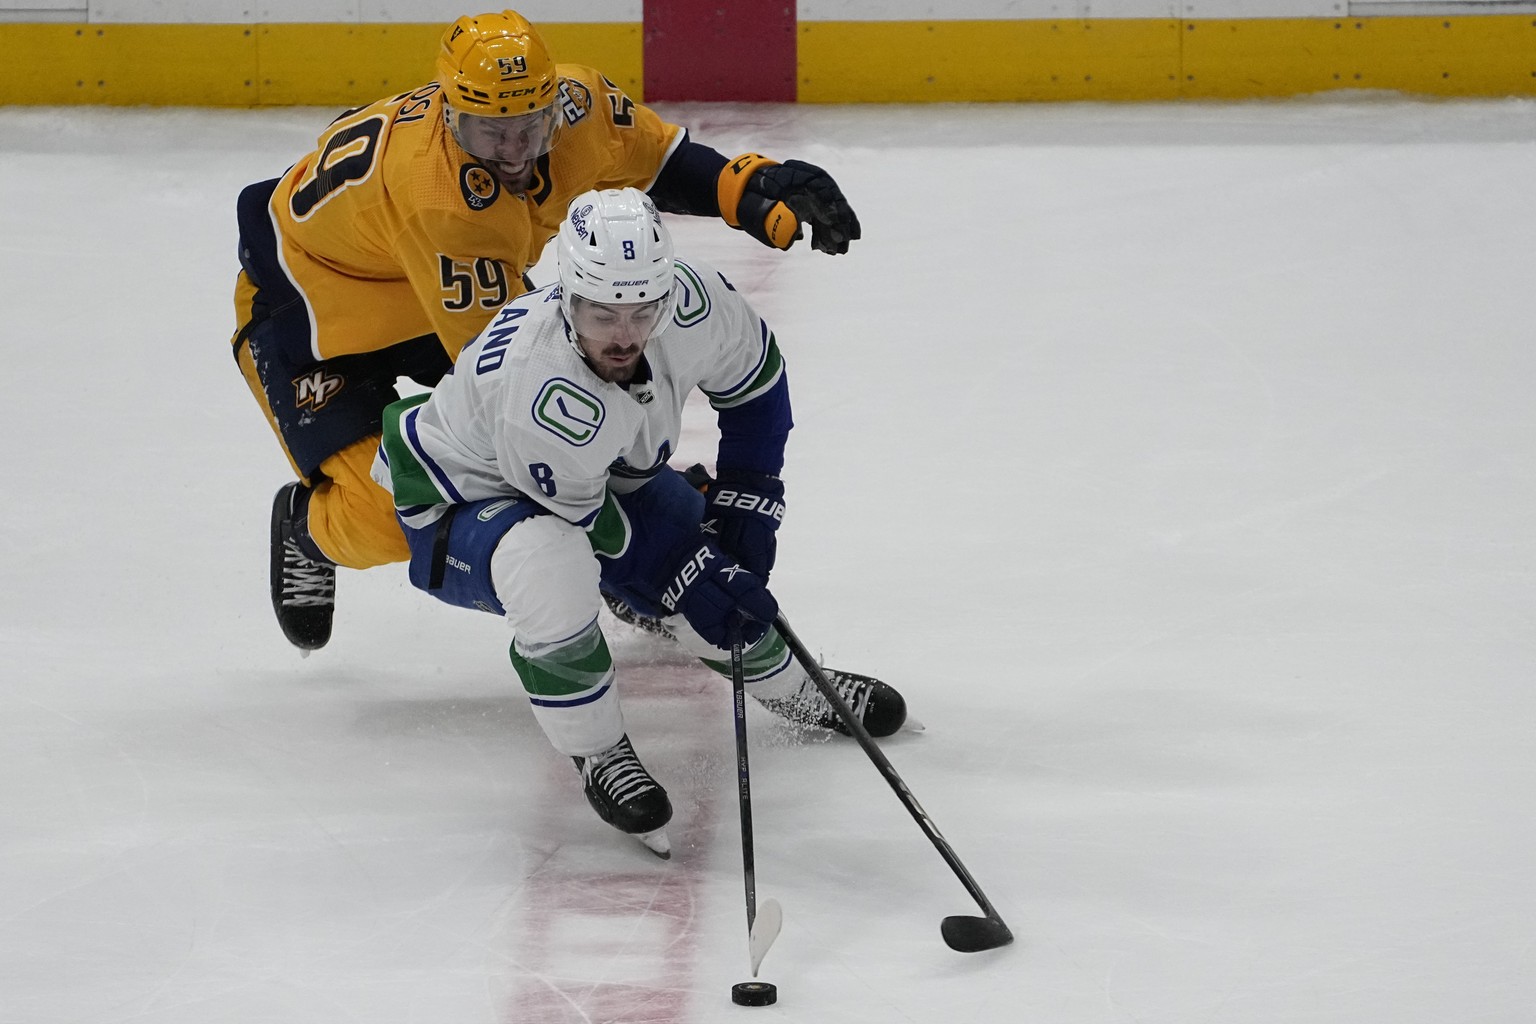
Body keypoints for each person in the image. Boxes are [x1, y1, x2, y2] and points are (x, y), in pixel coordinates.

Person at [231, 9, 862, 651]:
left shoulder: (578, 105)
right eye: (490, 133)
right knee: (394, 513)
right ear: (450, 118)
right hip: (314, 317)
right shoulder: (441, 201)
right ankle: (305, 528)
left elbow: (653, 158)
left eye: (529, 127)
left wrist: (747, 188)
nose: (515, 152)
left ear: (553, 103)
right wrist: (646, 508)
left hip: (430, 280)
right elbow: (508, 397)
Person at [369, 187, 906, 856]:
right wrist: (687, 579)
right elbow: (601, 533)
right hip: (458, 503)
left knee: (703, 575)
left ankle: (799, 691)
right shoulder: (543, 391)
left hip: (595, 473)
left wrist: (746, 500)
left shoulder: (690, 299)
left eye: (640, 311)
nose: (624, 335)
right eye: (602, 314)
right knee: (555, 566)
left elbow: (758, 384)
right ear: (567, 297)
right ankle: (597, 751)